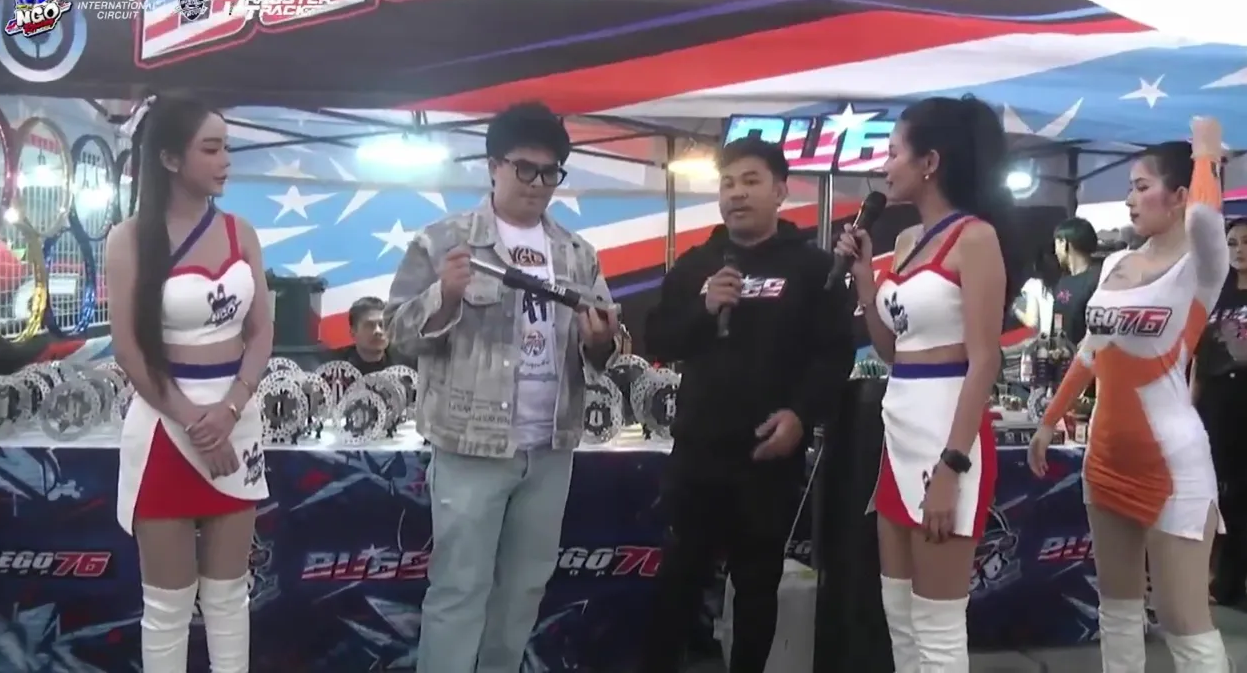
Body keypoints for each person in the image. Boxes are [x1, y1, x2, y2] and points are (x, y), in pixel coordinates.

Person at [384, 102, 617, 673]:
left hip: (551, 447)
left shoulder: (577, 253)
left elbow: (609, 345)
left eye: (550, 172)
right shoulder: (444, 241)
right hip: (470, 445)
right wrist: (444, 295)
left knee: (522, 593)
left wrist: (601, 341)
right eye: (524, 169)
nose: (537, 184)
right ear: (494, 166)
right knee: (459, 589)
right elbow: (396, 334)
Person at [638, 138, 854, 673]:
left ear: (780, 191)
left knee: (757, 587)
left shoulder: (814, 268)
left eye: (750, 181)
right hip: (698, 454)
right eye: (728, 183)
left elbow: (833, 355)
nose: (736, 194)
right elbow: (657, 339)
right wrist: (704, 307)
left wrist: (801, 416)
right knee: (678, 581)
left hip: (768, 455)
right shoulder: (697, 265)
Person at [1029, 128, 1231, 670]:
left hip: (1173, 466)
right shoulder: (1117, 263)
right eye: (1129, 188)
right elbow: (1091, 351)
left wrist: (1206, 148)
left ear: (1180, 195)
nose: (1129, 199)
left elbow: (1206, 219)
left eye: (1142, 187)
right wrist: (1049, 420)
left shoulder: (1202, 266)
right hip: (1104, 458)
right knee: (1116, 613)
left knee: (1185, 624)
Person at [835, 96, 1021, 672]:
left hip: (947, 440)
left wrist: (951, 466)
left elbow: (985, 361)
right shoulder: (907, 241)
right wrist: (866, 283)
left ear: (930, 162)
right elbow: (893, 350)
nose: (885, 166)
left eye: (894, 153)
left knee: (938, 631)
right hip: (898, 433)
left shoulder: (975, 238)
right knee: (901, 619)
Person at [107, 96, 273, 673]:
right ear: (170, 158)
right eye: (211, 148)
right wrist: (194, 421)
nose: (226, 160)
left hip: (236, 424)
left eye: (227, 147)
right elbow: (129, 349)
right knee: (167, 607)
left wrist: (229, 410)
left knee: (229, 598)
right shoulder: (129, 239)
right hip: (164, 428)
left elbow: (261, 333)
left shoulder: (241, 232)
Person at [1192, 217, 1247, 606]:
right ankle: (1211, 578)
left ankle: (1231, 582)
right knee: (1212, 492)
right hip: (1216, 402)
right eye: (1232, 243)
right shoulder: (1216, 295)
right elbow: (1200, 356)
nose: (1239, 250)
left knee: (1241, 497)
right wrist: (1190, 402)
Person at [1051, 216, 1102, 345]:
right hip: (1062, 353)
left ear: (1064, 243)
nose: (1055, 252)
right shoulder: (1063, 281)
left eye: (1056, 244)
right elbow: (1058, 319)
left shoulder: (1098, 281)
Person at [334, 296, 402, 374]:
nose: (378, 331)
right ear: (353, 332)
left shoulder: (403, 363)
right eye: (369, 325)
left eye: (382, 324)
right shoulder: (336, 369)